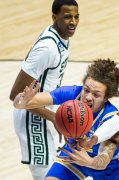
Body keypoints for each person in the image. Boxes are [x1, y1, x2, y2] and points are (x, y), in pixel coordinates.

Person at [13, 59, 119, 179]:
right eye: (86, 90)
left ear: (106, 98)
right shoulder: (73, 94)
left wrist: (90, 162)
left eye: (96, 94)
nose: (88, 97)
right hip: (76, 154)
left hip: (107, 168)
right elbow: (20, 104)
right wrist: (23, 99)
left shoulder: (111, 119)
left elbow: (104, 160)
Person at [9, 0, 79, 179]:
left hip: (44, 112)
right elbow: (15, 95)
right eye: (67, 17)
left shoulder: (61, 37)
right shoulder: (47, 48)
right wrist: (55, 118)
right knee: (46, 175)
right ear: (55, 18)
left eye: (76, 16)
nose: (73, 22)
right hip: (31, 117)